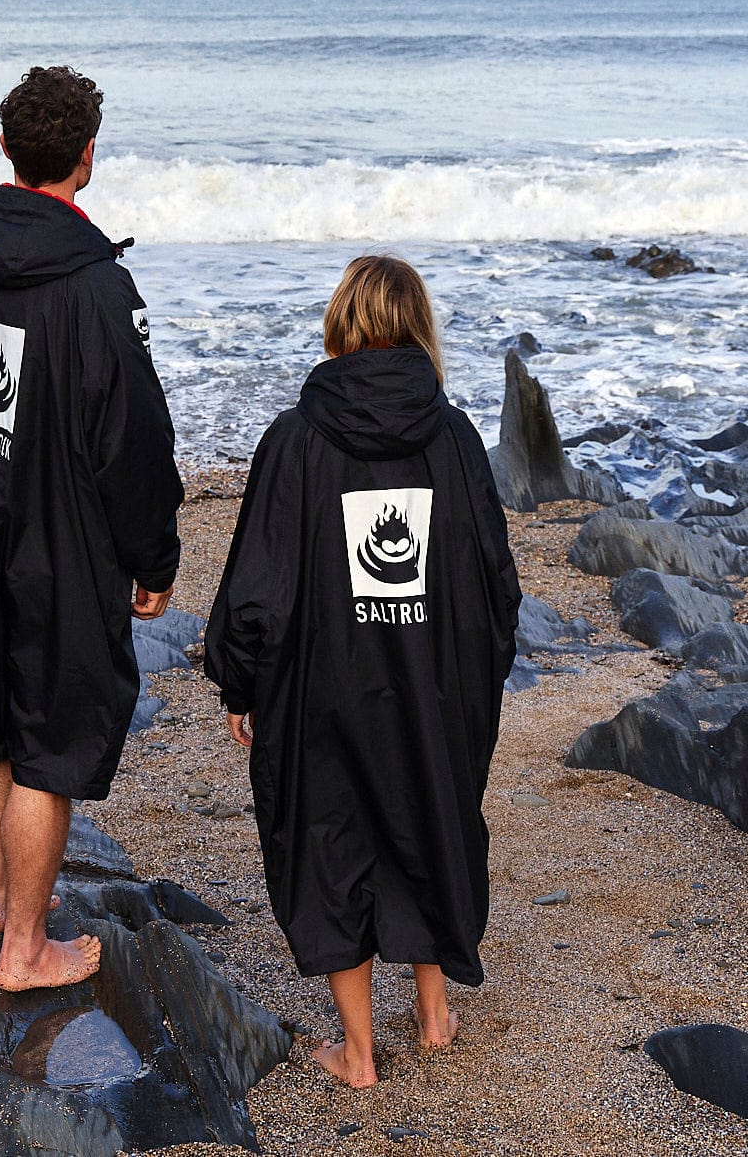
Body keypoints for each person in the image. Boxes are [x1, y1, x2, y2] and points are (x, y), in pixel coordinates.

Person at [0, 66, 183, 991]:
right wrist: (152, 555)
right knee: (48, 742)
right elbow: (131, 439)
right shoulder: (95, 288)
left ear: (8, 148)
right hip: (59, 547)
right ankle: (22, 947)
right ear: (86, 157)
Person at [205, 254, 520, 1086]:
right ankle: (435, 1013)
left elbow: (257, 590)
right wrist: (476, 681)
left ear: (341, 323)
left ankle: (357, 1052)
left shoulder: (295, 441)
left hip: (321, 693)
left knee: (329, 841)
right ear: (417, 326)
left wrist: (241, 683)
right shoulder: (452, 437)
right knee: (429, 819)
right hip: (433, 688)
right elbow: (496, 581)